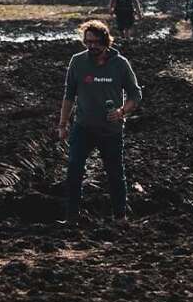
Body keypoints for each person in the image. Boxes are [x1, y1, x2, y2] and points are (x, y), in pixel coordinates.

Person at [57, 20, 143, 221]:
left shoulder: (120, 64)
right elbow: (69, 95)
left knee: (114, 172)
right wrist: (62, 124)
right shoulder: (77, 62)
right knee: (74, 169)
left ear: (106, 41)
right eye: (87, 42)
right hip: (83, 126)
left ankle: (120, 215)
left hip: (110, 130)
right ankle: (72, 216)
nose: (91, 46)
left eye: (95, 42)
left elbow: (135, 94)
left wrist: (122, 111)